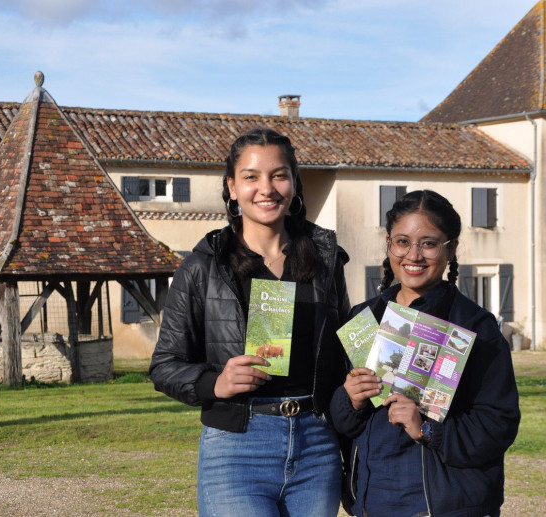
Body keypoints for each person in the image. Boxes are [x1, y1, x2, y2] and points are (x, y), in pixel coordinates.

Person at [149, 128, 351, 517]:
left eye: (279, 175)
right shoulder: (202, 266)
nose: (266, 189)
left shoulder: (326, 260)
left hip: (316, 446)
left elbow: (344, 354)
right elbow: (164, 365)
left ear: (294, 182)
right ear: (232, 186)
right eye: (251, 176)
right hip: (236, 445)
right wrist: (215, 382)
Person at [330, 190, 520, 517]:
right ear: (389, 244)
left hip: (444, 506)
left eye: (429, 243)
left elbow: (498, 424)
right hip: (371, 502)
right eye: (403, 242)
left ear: (451, 249)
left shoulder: (475, 327)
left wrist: (427, 430)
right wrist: (350, 399)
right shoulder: (363, 318)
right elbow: (339, 421)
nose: (414, 255)